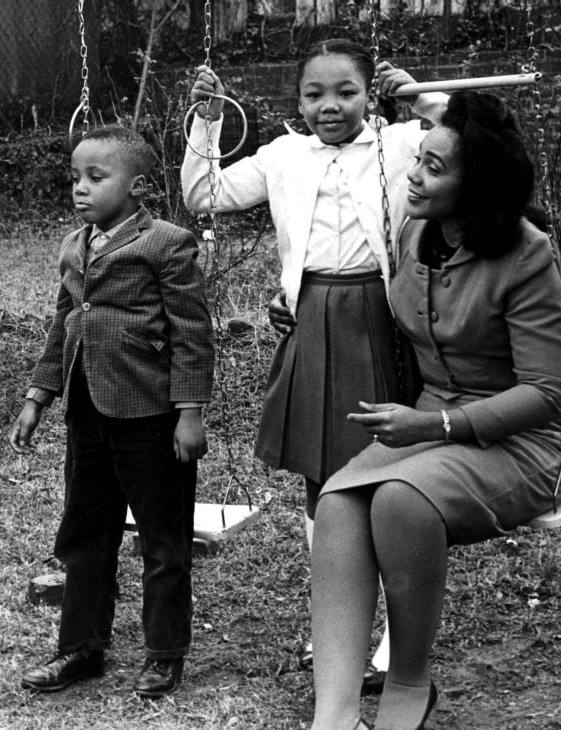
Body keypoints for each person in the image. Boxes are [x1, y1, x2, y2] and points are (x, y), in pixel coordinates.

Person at [182, 39, 447, 689]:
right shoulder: (283, 155)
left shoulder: (402, 143)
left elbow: (479, 147)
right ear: (297, 102)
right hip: (313, 322)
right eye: (314, 94)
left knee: (391, 479)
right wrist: (207, 121)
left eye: (346, 92)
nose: (330, 106)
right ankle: (338, 626)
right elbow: (203, 194)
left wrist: (424, 99)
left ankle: (395, 641)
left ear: (370, 94)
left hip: (383, 321)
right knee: (321, 481)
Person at [309, 90, 561, 730]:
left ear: (476, 186)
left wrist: (435, 425)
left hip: (516, 444)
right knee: (338, 504)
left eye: (434, 168)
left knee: (399, 499)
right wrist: (296, 305)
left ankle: (408, 682)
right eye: (418, 159)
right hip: (431, 429)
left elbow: (547, 391)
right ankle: (334, 715)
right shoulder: (416, 232)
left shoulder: (527, 253)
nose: (415, 176)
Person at [10, 126, 214, 698]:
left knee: (162, 540)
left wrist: (190, 413)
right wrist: (37, 397)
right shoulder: (74, 246)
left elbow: (192, 334)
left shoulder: (167, 243)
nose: (80, 188)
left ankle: (164, 654)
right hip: (87, 415)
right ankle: (81, 647)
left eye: (96, 178)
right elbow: (63, 325)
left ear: (138, 186)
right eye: (75, 177)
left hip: (151, 418)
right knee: (86, 535)